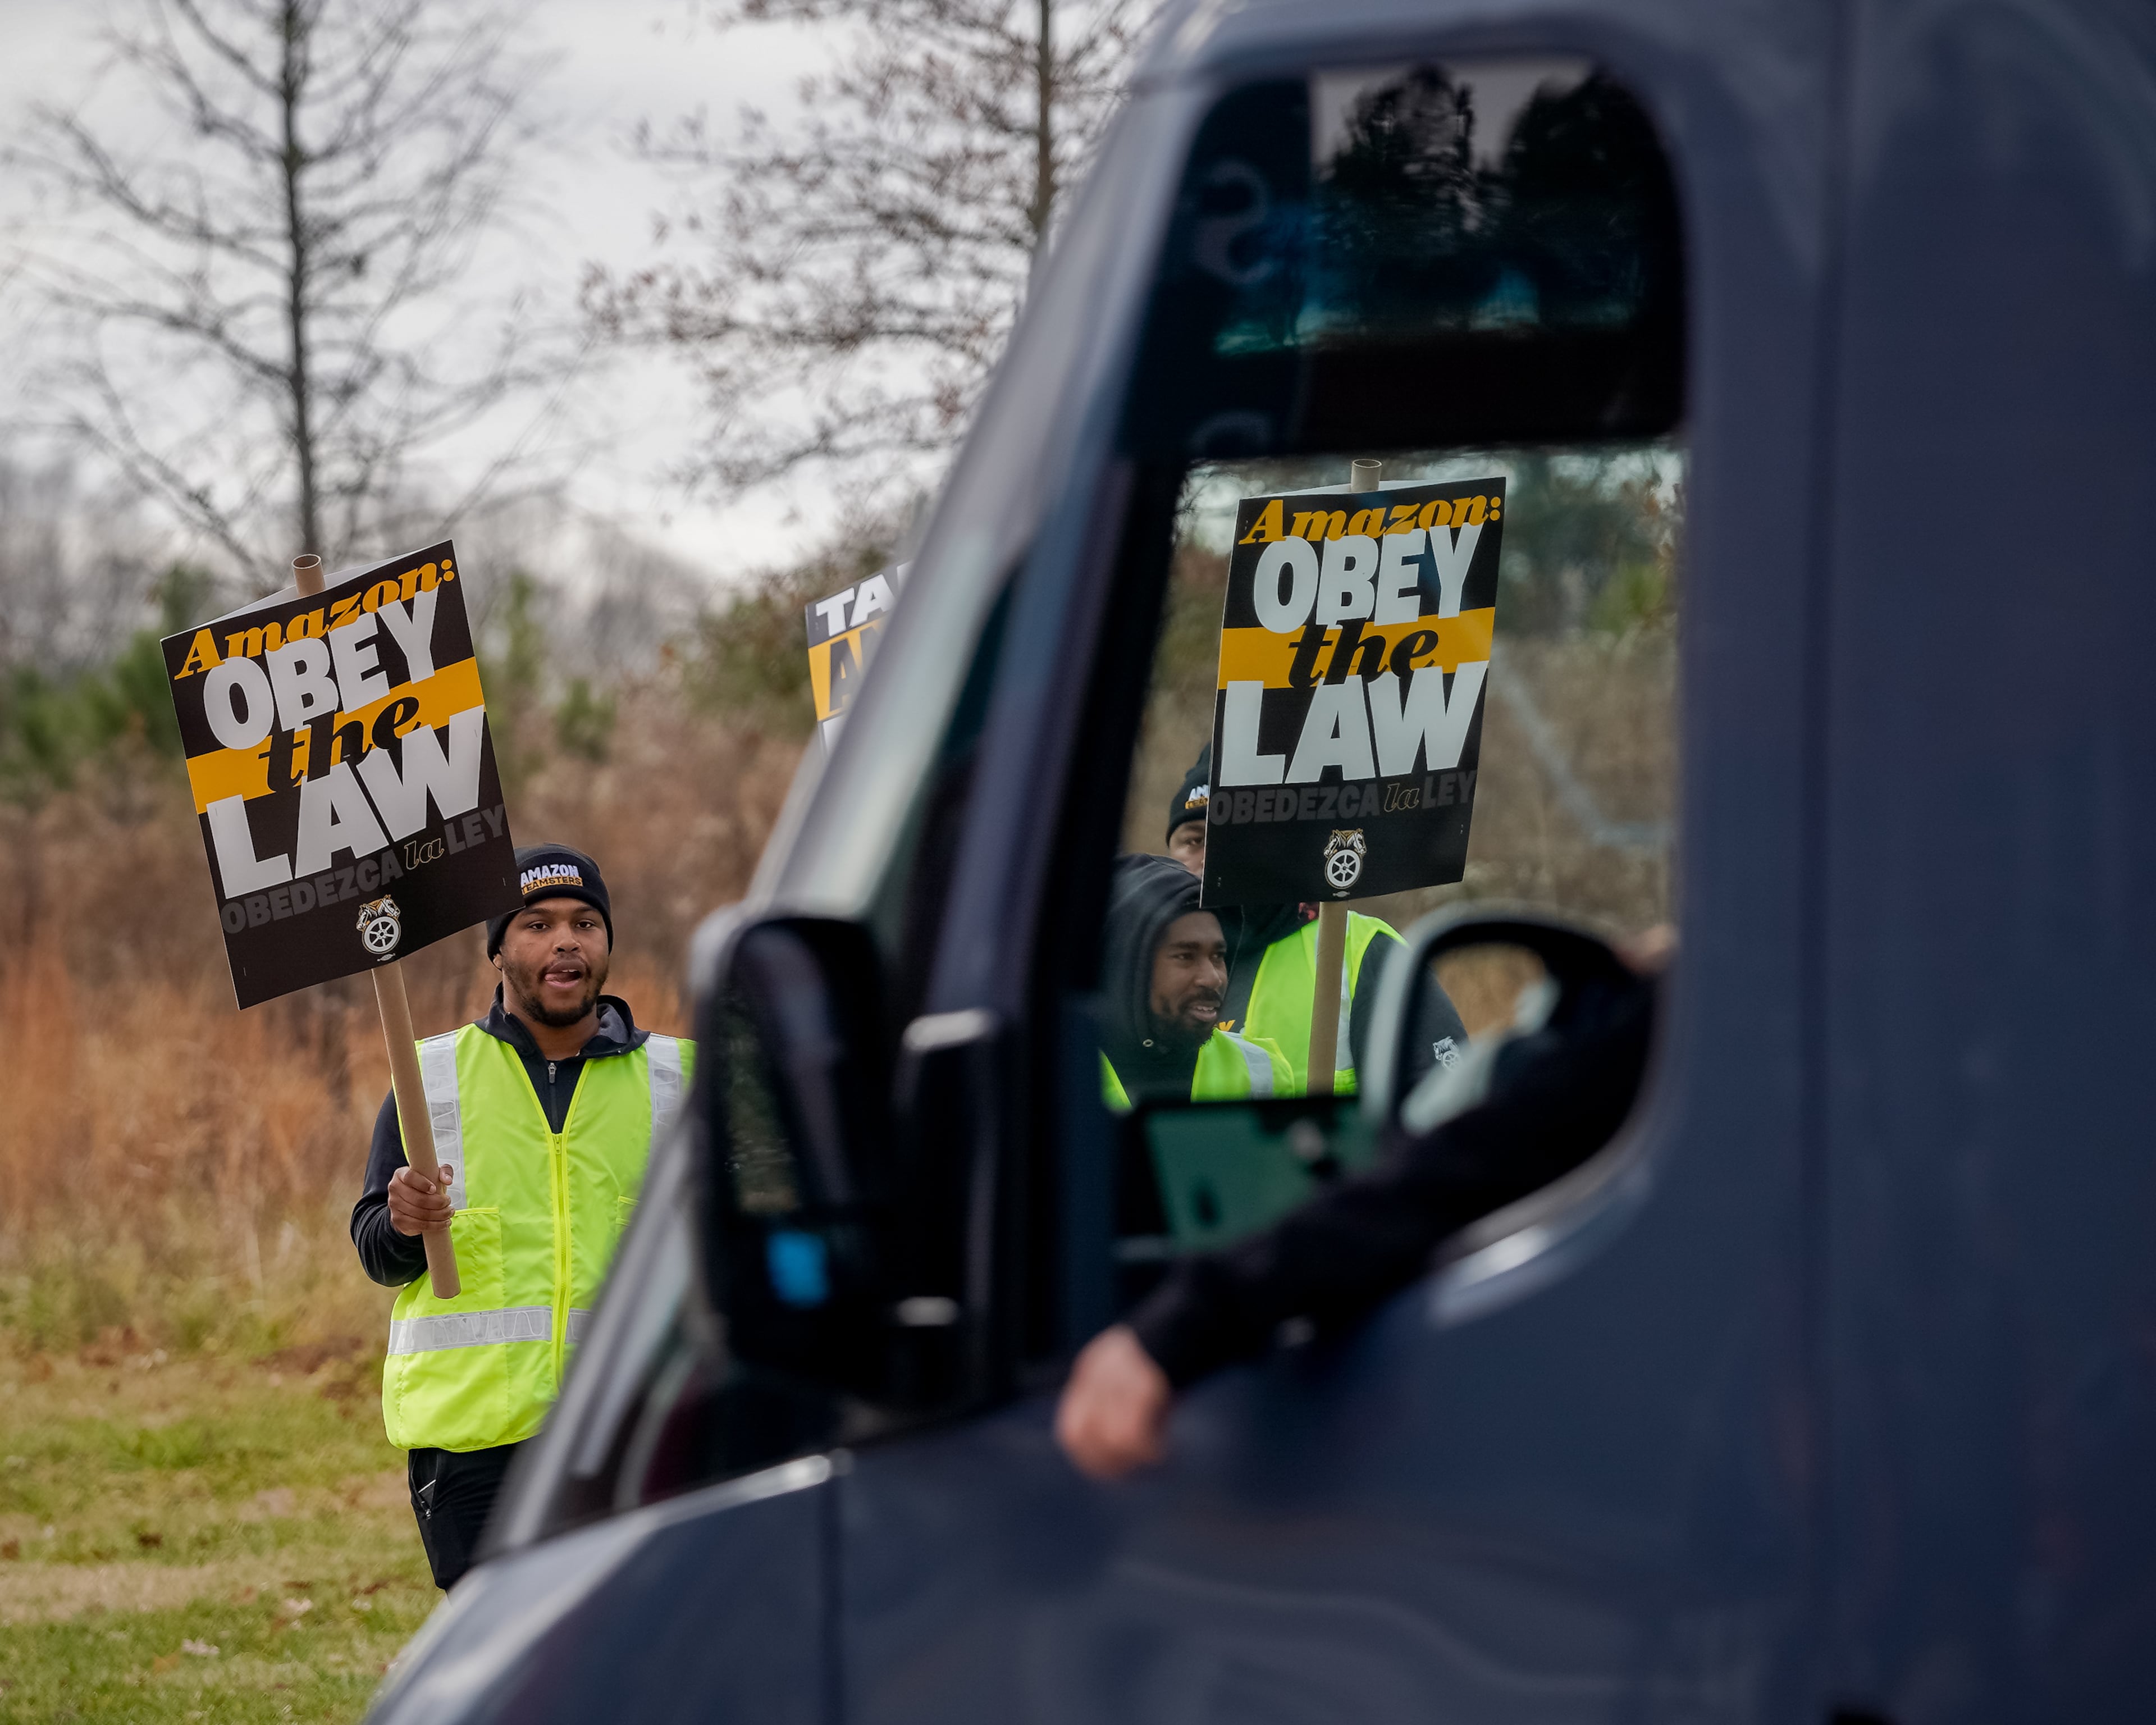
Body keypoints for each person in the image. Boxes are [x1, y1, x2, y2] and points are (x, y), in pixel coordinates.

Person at [1056, 930, 1665, 1479]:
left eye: (1212, 957)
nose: (1211, 975)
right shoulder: (1082, 1070)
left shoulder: (1356, 956)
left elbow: (1472, 1160)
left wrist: (1201, 1312)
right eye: (1184, 957)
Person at [349, 843, 693, 1589]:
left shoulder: (682, 1080)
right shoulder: (427, 1078)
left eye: (584, 923)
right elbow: (377, 1251)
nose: (565, 939)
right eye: (536, 924)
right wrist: (404, 1222)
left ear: (606, 945)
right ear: (498, 950)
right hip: (478, 1451)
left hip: (635, 1438)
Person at [1165, 746, 1467, 1094]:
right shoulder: (1149, 965)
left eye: (1228, 837)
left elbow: (1448, 1110)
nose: (1210, 858)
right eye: (1193, 841)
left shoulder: (1359, 951)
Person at [1099, 853, 1291, 1108]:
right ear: (1127, 966)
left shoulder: (1262, 1071)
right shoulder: (1053, 1071)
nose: (1213, 978)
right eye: (1185, 956)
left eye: (1218, 956)